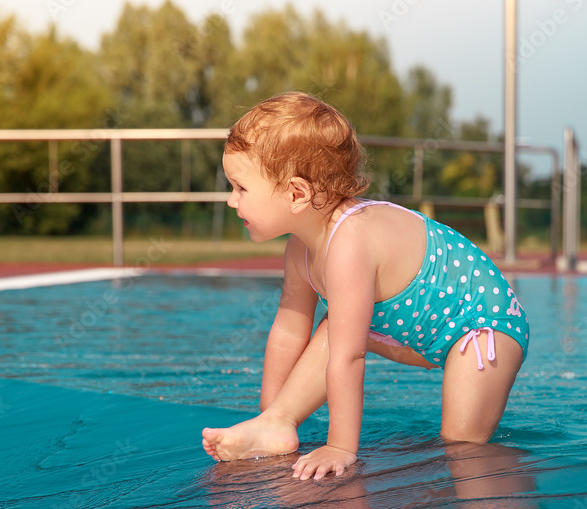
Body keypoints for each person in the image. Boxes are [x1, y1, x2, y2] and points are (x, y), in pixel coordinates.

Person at [202, 92, 529, 480]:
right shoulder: (299, 249)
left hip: (480, 331)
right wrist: (268, 418)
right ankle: (276, 423)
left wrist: (340, 447)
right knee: (335, 327)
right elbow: (288, 332)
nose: (230, 200)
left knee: (460, 448)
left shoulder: (349, 244)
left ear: (297, 194)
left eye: (240, 188)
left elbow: (350, 357)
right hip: (415, 332)